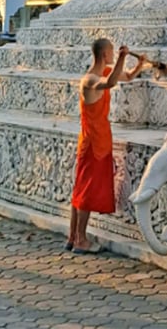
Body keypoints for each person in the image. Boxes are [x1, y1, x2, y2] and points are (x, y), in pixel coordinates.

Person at [67, 38, 146, 253]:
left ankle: (73, 236)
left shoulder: (105, 72)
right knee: (86, 190)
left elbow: (126, 77)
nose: (113, 55)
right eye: (112, 52)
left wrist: (140, 65)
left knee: (83, 188)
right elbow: (110, 83)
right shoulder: (89, 80)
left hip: (100, 140)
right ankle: (81, 239)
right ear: (105, 55)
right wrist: (122, 58)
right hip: (92, 142)